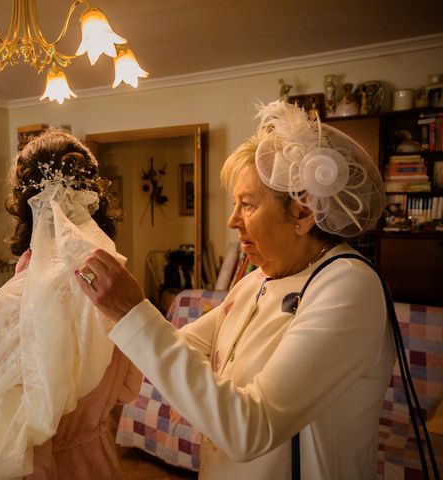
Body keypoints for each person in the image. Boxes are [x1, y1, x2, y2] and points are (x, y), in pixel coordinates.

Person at [76, 100, 394, 479]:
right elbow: (182, 345)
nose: (232, 221)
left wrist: (133, 311)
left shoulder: (349, 287)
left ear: (303, 213)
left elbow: (248, 429)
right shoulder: (257, 280)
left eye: (247, 204)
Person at [0, 129, 141, 480]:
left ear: (26, 208)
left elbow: (0, 441)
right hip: (100, 460)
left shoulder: (7, 306)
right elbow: (128, 389)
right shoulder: (120, 288)